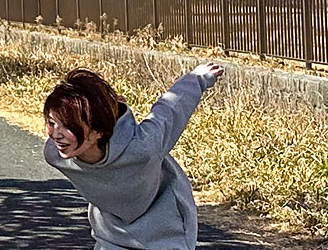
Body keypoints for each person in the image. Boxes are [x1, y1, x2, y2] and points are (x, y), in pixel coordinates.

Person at [43, 64, 229, 250]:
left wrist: (198, 77)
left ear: (98, 131)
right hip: (111, 237)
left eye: (67, 127)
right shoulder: (55, 155)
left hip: (165, 233)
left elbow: (170, 108)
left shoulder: (143, 147)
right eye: (51, 123)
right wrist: (108, 106)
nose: (56, 134)